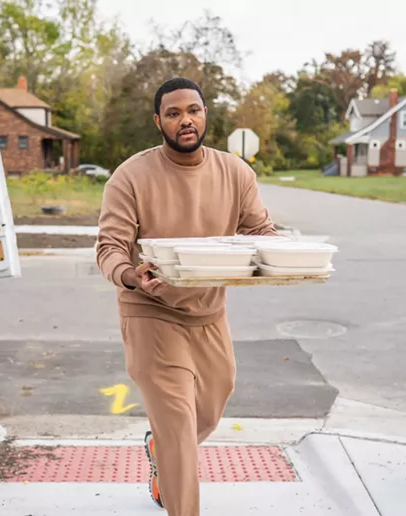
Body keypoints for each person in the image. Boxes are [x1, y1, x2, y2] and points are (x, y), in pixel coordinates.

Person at [95, 77, 278, 516]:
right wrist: (131, 277)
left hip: (209, 313)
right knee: (178, 426)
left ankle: (159, 448)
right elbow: (110, 248)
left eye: (192, 110)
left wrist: (286, 254)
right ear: (158, 121)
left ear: (205, 114)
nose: (185, 120)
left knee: (209, 412)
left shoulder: (235, 172)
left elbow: (260, 231)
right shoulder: (132, 175)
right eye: (173, 113)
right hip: (150, 310)